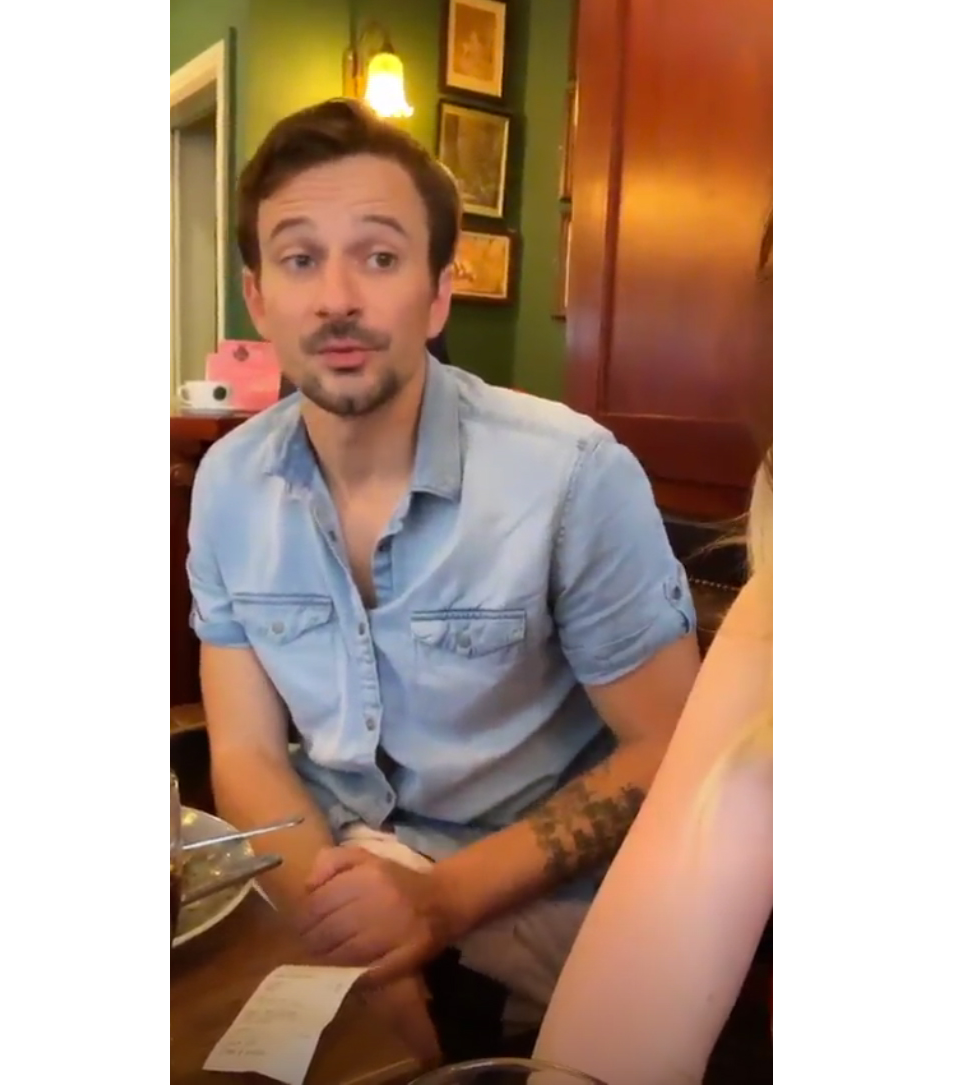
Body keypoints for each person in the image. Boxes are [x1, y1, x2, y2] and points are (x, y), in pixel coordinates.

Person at [185, 97, 702, 1060]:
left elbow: (670, 746)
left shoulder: (571, 474)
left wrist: (437, 903)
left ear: (435, 293)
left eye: (379, 257)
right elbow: (248, 752)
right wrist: (355, 943)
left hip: (529, 883)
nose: (337, 297)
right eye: (299, 259)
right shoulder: (226, 484)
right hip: (324, 859)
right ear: (258, 299)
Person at [533, 224, 774, 1084]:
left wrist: (440, 900)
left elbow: (651, 744)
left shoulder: (571, 473)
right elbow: (614, 1033)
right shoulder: (780, 613)